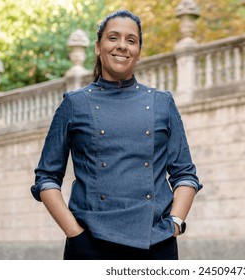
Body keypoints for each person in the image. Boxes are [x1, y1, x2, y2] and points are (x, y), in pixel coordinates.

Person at [31, 9, 202, 260]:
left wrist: (175, 222)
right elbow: (46, 177)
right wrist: (75, 234)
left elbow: (185, 174)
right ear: (98, 47)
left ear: (139, 51)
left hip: (156, 243)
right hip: (90, 244)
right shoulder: (75, 103)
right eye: (113, 38)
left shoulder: (162, 102)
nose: (122, 46)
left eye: (131, 40)